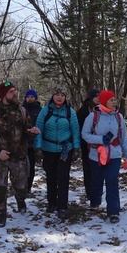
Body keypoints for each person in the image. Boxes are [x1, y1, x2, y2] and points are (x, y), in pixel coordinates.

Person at [0, 81, 40, 227]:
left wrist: (32, 133)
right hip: (1, 158)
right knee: (0, 188)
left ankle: (20, 201)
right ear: (3, 95)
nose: (15, 93)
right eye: (11, 91)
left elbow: (27, 132)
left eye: (15, 90)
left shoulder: (22, 112)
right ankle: (1, 215)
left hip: (19, 158)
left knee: (21, 187)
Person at [81, 90, 127, 223]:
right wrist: (101, 139)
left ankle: (113, 212)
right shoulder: (93, 116)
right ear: (104, 101)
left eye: (114, 100)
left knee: (112, 181)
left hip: (115, 155)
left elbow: (123, 138)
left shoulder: (119, 117)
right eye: (111, 100)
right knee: (97, 181)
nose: (114, 102)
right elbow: (85, 134)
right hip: (96, 156)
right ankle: (95, 201)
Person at [34, 86, 81, 220]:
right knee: (51, 177)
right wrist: (37, 147)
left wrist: (77, 148)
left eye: (62, 95)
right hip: (48, 150)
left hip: (65, 150)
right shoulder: (45, 111)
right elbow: (38, 129)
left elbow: (75, 131)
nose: (59, 97)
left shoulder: (70, 112)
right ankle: (51, 202)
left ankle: (62, 206)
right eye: (57, 94)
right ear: (52, 96)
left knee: (63, 178)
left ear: (65, 97)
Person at [77, 88, 100, 202]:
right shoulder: (83, 110)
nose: (98, 98)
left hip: (99, 144)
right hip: (86, 144)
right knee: (88, 168)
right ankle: (89, 192)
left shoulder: (102, 109)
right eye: (96, 96)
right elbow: (79, 127)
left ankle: (96, 191)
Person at [22, 89, 42, 194]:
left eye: (32, 96)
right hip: (20, 142)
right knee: (21, 166)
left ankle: (28, 187)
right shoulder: (20, 109)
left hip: (33, 143)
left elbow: (42, 125)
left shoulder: (39, 110)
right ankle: (20, 186)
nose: (30, 98)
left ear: (35, 98)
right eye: (28, 96)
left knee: (31, 166)